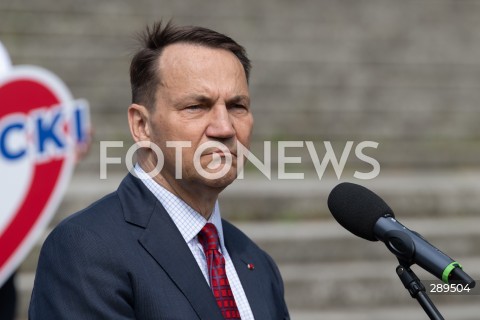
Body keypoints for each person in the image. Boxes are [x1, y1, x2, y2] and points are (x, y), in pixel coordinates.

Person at [29, 21, 290, 320]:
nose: (224, 127)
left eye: (237, 106)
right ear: (142, 125)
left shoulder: (257, 263)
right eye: (196, 106)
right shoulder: (86, 249)